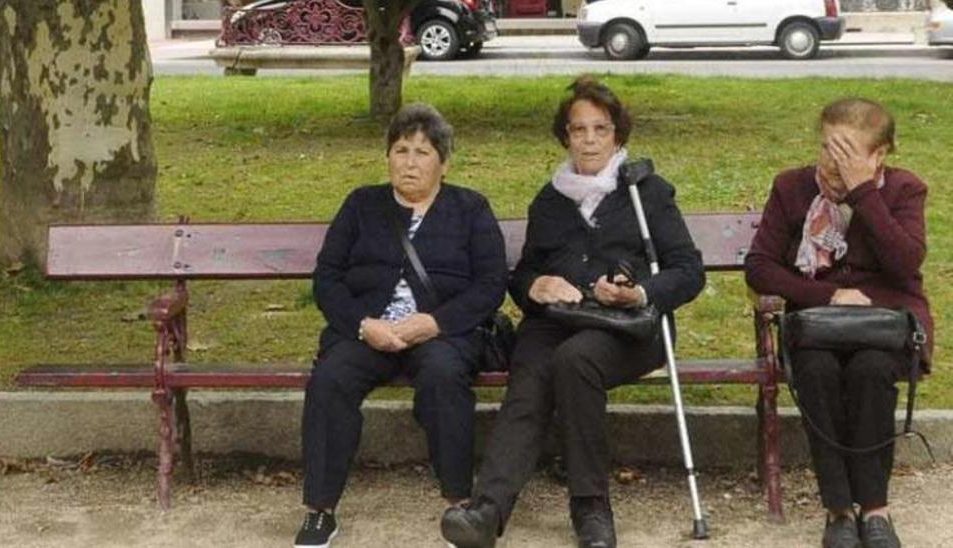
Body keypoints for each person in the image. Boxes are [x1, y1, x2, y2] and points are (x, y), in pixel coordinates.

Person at [441, 77, 705, 548]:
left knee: (575, 360)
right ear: (565, 136)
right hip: (557, 320)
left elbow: (688, 271)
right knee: (532, 368)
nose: (588, 140)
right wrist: (535, 287)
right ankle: (487, 510)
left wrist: (639, 291)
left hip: (628, 328)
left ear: (617, 135)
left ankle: (591, 507)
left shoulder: (647, 192)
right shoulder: (551, 199)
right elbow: (523, 276)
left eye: (599, 129)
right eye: (578, 129)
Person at [293, 103, 507, 548]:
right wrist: (362, 324)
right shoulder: (361, 205)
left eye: (423, 152)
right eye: (401, 150)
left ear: (444, 163)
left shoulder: (470, 208)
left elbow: (490, 285)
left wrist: (435, 321)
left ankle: (458, 503)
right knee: (331, 379)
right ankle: (319, 509)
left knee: (444, 377)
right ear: (387, 156)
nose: (410, 162)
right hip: (368, 330)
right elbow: (327, 277)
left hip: (441, 332)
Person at [744, 98, 931, 548]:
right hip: (817, 325)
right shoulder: (792, 187)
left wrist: (864, 193)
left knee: (869, 371)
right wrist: (828, 294)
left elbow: (905, 265)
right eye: (827, 148)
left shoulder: (903, 190)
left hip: (883, 325)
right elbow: (761, 267)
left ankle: (876, 510)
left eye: (847, 153)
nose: (832, 163)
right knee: (817, 372)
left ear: (879, 155)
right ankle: (839, 510)